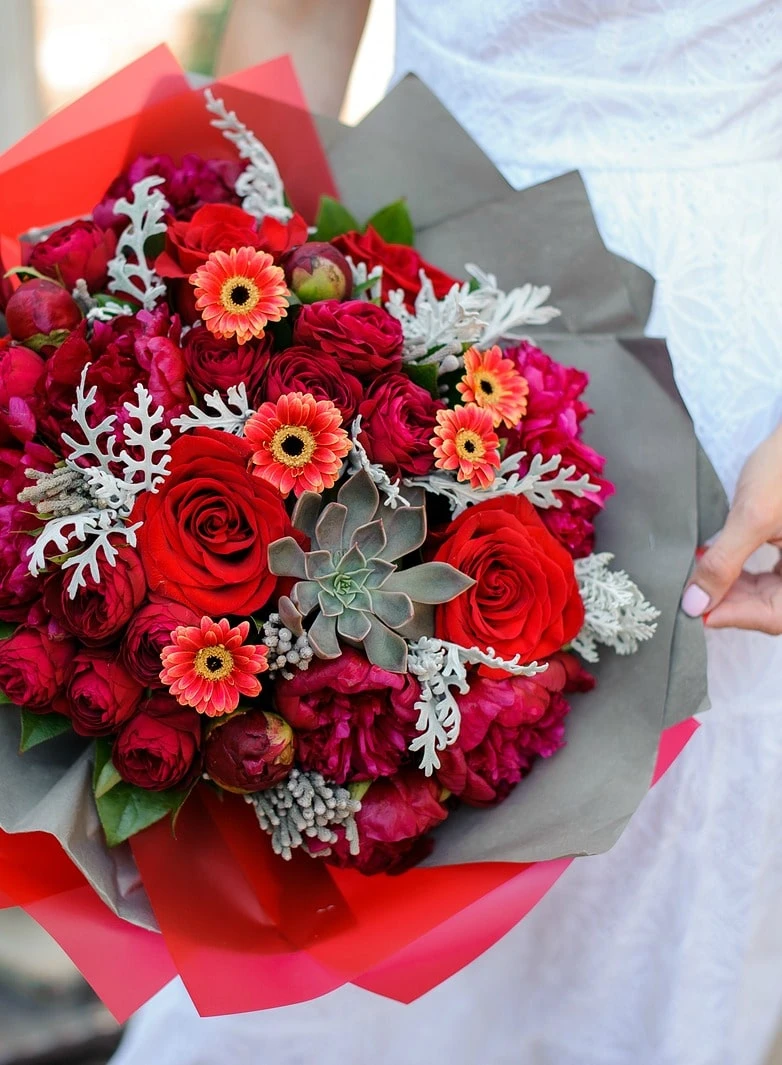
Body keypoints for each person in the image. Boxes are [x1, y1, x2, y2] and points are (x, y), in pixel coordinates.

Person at [111, 3, 782, 1063]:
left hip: (735, 411)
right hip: (393, 315)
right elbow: (296, 21)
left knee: (641, 925)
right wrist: (182, 309)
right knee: (342, 847)